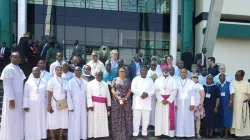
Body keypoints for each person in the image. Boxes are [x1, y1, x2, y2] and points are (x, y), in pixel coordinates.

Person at [0, 52, 26, 140]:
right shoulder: (8, 69)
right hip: (12, 99)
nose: (17, 59)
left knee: (18, 119)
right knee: (11, 119)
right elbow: (7, 86)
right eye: (15, 57)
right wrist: (11, 99)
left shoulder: (19, 69)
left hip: (19, 98)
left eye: (18, 57)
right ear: (11, 57)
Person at [131, 65, 155, 139]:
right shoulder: (135, 79)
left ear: (147, 71)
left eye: (145, 70)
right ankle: (135, 133)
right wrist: (141, 93)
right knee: (136, 119)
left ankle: (144, 133)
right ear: (140, 71)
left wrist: (147, 94)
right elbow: (132, 89)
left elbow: (153, 90)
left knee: (146, 119)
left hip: (146, 102)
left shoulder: (150, 80)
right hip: (137, 102)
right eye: (142, 70)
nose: (144, 72)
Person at [23, 67, 47, 140]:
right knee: (31, 121)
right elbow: (25, 94)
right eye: (34, 72)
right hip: (31, 105)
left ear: (40, 72)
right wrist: (25, 105)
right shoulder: (28, 82)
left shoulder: (45, 81)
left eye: (37, 71)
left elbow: (47, 94)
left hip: (42, 105)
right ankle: (31, 136)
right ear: (32, 72)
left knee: (42, 120)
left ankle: (42, 135)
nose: (36, 73)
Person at [87, 70, 111, 139]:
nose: (99, 76)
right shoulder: (90, 84)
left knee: (102, 120)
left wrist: (108, 104)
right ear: (95, 75)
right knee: (94, 120)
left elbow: (108, 95)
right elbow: (88, 95)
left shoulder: (105, 84)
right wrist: (90, 105)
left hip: (103, 105)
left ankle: (102, 134)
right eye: (98, 74)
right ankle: (93, 134)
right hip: (94, 105)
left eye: (101, 75)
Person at [154, 66, 177, 138]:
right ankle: (159, 133)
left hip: (169, 101)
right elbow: (156, 91)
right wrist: (161, 99)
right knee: (159, 117)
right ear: (162, 70)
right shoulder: (157, 80)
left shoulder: (173, 80)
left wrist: (169, 100)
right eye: (164, 69)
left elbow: (175, 90)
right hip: (160, 101)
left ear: (169, 70)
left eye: (167, 69)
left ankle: (169, 134)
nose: (166, 70)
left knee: (169, 117)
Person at [47, 66, 68, 140]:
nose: (59, 71)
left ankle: (60, 136)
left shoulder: (65, 80)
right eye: (58, 70)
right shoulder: (51, 80)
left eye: (61, 70)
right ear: (55, 71)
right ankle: (52, 137)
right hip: (53, 102)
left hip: (63, 103)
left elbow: (67, 92)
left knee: (62, 119)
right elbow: (49, 93)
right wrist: (49, 104)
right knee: (52, 119)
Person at [111, 67, 133, 140]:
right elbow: (113, 90)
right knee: (117, 117)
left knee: (126, 117)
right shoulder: (115, 80)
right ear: (118, 72)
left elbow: (129, 91)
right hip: (116, 101)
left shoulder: (128, 80)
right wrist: (118, 98)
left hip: (126, 101)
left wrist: (125, 98)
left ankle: (127, 134)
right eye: (120, 71)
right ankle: (117, 135)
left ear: (125, 72)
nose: (122, 72)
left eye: (123, 71)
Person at [67, 67, 88, 140]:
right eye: (76, 70)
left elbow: (87, 95)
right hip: (74, 106)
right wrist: (70, 106)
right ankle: (74, 137)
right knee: (74, 122)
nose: (78, 71)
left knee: (83, 121)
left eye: (79, 70)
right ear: (74, 72)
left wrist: (87, 105)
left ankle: (83, 136)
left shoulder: (85, 82)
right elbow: (68, 95)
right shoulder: (70, 82)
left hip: (83, 106)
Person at [175, 68, 195, 138]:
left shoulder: (191, 82)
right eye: (182, 72)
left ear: (187, 73)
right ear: (180, 73)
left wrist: (192, 104)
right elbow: (174, 94)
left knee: (188, 118)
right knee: (179, 118)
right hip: (179, 103)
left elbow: (193, 94)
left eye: (184, 72)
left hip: (188, 103)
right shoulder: (176, 81)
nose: (183, 74)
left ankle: (188, 134)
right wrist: (175, 104)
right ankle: (179, 134)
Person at [231, 70, 250, 136]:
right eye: (235, 75)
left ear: (242, 76)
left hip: (243, 104)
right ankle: (234, 133)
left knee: (242, 119)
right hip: (234, 104)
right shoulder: (232, 82)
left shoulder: (247, 84)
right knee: (234, 119)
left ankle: (243, 133)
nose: (236, 76)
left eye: (237, 75)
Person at [216, 73, 234, 138]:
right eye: (220, 76)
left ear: (225, 77)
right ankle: (221, 132)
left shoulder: (229, 84)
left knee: (227, 118)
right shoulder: (217, 85)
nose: (222, 77)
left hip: (227, 104)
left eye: (223, 76)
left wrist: (230, 101)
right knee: (221, 118)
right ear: (219, 78)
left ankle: (226, 133)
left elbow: (232, 93)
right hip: (220, 104)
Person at [147, 60, 162, 127]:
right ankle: (150, 123)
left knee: (156, 107)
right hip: (150, 91)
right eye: (152, 65)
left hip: (157, 91)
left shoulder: (159, 72)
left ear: (156, 65)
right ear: (150, 65)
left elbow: (161, 80)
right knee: (150, 107)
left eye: (154, 65)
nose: (153, 66)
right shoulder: (148, 72)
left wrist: (156, 79)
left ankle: (155, 123)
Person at [191, 73, 205, 138]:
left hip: (198, 104)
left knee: (198, 119)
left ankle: (197, 133)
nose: (194, 78)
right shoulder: (189, 85)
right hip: (191, 105)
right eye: (193, 77)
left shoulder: (200, 85)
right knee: (191, 120)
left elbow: (202, 95)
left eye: (196, 77)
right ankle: (192, 133)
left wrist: (200, 104)